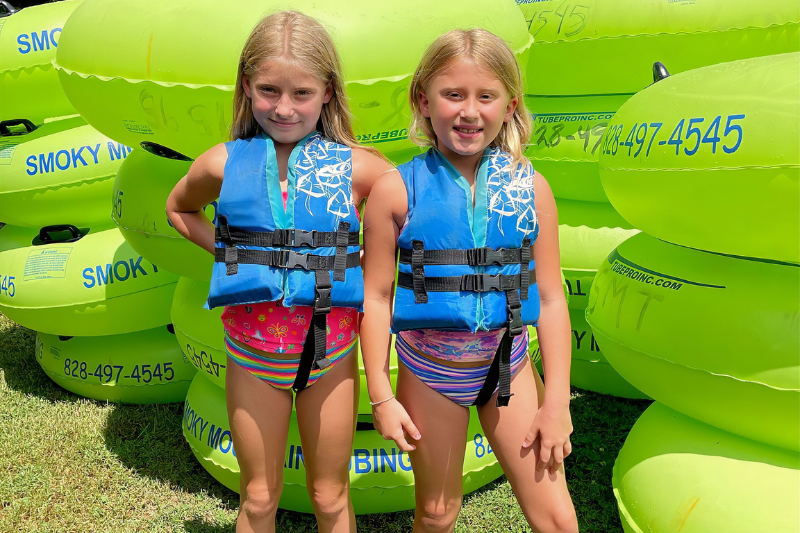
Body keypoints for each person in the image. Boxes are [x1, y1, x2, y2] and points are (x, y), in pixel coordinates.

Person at [166, 11, 392, 533]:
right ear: (246, 87)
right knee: (259, 497)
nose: (283, 108)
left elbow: (414, 224)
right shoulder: (221, 163)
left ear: (329, 92)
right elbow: (179, 209)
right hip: (252, 355)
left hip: (330, 354)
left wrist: (369, 265)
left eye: (302, 93)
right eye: (268, 90)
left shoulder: (360, 168)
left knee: (330, 496)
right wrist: (231, 252)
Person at [361, 29, 579, 533]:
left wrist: (557, 401)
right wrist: (381, 395)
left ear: (510, 105)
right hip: (430, 370)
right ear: (423, 99)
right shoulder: (396, 190)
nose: (469, 111)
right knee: (437, 515)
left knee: (558, 518)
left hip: (509, 366)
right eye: (452, 94)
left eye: (486, 96)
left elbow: (549, 295)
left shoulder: (531, 188)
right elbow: (375, 296)